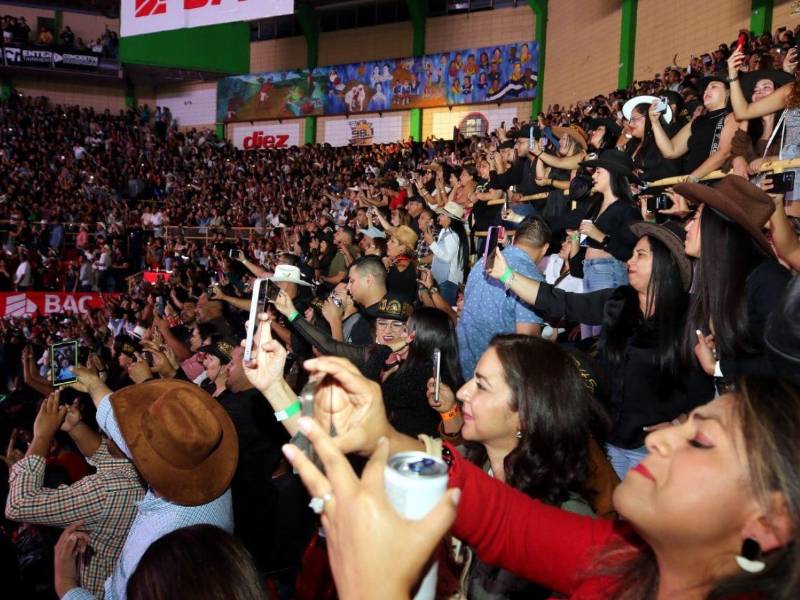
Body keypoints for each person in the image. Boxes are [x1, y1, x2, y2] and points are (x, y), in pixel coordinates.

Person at [282, 359, 800, 600]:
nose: (661, 437)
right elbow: (504, 520)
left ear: (769, 522)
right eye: (683, 420)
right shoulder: (623, 558)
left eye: (701, 440)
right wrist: (384, 437)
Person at [485, 220, 711, 478]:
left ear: (665, 263)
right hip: (610, 439)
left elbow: (702, 385)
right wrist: (506, 275)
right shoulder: (619, 300)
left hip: (656, 448)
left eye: (641, 255)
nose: (630, 261)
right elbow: (561, 302)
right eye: (632, 254)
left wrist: (680, 424)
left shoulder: (690, 316)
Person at [428, 335, 612, 598]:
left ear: (526, 415)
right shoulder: (467, 462)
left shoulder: (562, 520)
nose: (461, 392)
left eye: (481, 385)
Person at [58, 372, 237, 600]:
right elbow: (121, 427)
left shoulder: (171, 545)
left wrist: (67, 584)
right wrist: (95, 385)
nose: (129, 438)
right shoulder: (202, 461)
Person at [6, 392, 144, 598]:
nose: (105, 429)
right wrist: (74, 427)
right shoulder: (140, 466)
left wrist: (41, 436)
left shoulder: (107, 490)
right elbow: (109, 458)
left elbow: (19, 505)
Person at [673, 175, 791, 382]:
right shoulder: (722, 279)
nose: (687, 227)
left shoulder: (768, 280)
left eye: (696, 218)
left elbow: (788, 362)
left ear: (718, 226)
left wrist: (719, 367)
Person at [456, 216, 549, 380]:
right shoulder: (532, 280)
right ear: (545, 248)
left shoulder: (484, 262)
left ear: (514, 238)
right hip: (495, 376)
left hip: (461, 361)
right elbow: (526, 343)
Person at [649, 75, 738, 180]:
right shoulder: (697, 121)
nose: (706, 91)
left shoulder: (732, 117)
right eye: (705, 89)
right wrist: (655, 123)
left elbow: (724, 153)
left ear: (728, 93)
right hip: (694, 184)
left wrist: (692, 179)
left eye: (713, 87)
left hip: (715, 184)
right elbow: (670, 151)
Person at [621, 98, 680, 182]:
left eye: (634, 119)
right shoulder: (631, 144)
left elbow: (671, 170)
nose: (630, 124)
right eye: (630, 120)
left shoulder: (665, 140)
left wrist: (641, 175)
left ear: (650, 117)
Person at [425, 201, 469, 306]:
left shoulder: (453, 235)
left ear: (450, 218)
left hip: (448, 280)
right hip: (442, 279)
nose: (439, 216)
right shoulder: (445, 232)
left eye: (442, 214)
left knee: (446, 311)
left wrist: (431, 243)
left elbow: (446, 257)